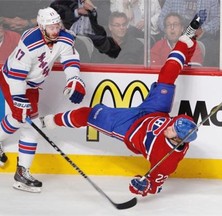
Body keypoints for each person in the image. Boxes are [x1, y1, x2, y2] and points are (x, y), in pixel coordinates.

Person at [41, 15, 203, 197]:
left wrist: (141, 186)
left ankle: (48, 122)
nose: (169, 126)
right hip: (155, 111)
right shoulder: (174, 126)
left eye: (172, 130)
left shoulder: (167, 161)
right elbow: (171, 123)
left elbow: (154, 185)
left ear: (178, 141)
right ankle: (187, 39)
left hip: (130, 127)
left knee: (89, 115)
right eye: (173, 123)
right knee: (167, 75)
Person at [0, 7, 86, 193]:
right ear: (41, 27)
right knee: (23, 121)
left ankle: (22, 173)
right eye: (51, 27)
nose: (56, 30)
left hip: (33, 86)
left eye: (57, 26)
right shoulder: (30, 42)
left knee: (26, 125)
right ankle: (20, 170)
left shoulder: (65, 37)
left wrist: (74, 78)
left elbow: (70, 59)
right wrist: (19, 98)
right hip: (12, 80)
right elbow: (16, 74)